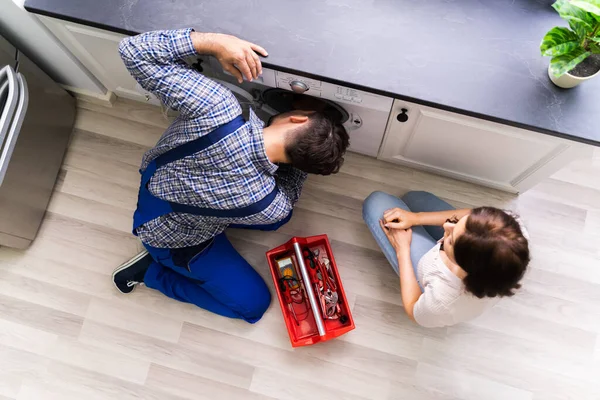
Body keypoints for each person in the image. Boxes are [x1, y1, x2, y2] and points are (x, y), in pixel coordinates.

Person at [111, 29, 349, 324]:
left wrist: (216, 43)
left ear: (297, 118)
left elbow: (134, 50)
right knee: (252, 308)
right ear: (303, 164)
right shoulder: (269, 205)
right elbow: (284, 202)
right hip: (172, 239)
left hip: (158, 187)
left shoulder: (217, 107)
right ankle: (152, 273)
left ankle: (162, 265)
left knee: (264, 235)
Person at [362, 191, 530, 328]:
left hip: (430, 273)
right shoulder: (510, 230)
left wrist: (402, 250)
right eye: (461, 224)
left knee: (376, 202)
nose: (446, 225)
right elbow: (469, 215)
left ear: (464, 266)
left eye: (450, 239)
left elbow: (413, 309)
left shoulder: (443, 302)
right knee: (415, 198)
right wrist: (416, 217)